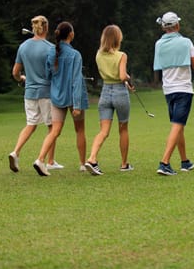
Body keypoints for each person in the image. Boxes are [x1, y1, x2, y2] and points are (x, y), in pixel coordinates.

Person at [153, 11, 194, 176]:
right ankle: (164, 163)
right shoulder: (186, 42)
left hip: (168, 90)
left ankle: (185, 161)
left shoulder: (159, 44)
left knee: (179, 126)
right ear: (177, 25)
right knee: (177, 125)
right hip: (183, 88)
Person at [33, 21, 89, 176]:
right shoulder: (75, 54)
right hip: (73, 97)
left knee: (55, 130)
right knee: (80, 130)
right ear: (70, 34)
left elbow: (48, 74)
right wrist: (77, 105)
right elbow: (76, 80)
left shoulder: (52, 52)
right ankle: (83, 164)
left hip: (57, 96)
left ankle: (40, 159)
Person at [8, 15, 63, 173]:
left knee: (31, 124)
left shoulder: (23, 47)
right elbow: (55, 72)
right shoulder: (50, 48)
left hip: (30, 92)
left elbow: (15, 72)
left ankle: (16, 152)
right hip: (46, 92)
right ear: (46, 28)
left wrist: (22, 78)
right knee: (52, 128)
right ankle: (46, 161)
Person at [85, 25, 134, 176]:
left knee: (104, 131)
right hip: (120, 92)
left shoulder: (99, 54)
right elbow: (121, 76)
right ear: (117, 38)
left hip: (105, 93)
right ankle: (124, 164)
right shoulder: (121, 55)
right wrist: (128, 78)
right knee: (123, 128)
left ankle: (92, 158)